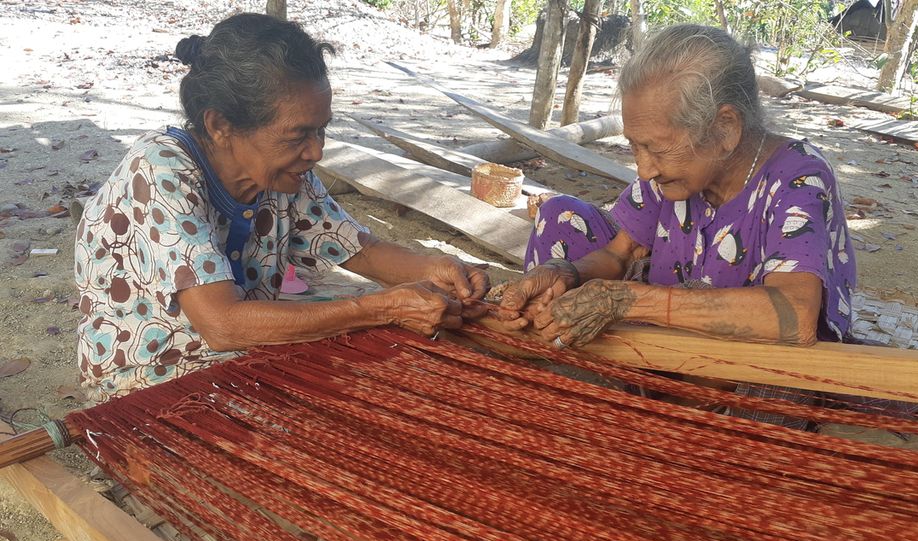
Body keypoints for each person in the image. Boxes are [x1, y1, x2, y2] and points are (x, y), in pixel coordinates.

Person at [74, 13, 488, 403]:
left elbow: (358, 249)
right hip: (154, 373)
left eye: (322, 129)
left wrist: (436, 268)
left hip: (245, 348)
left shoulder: (281, 174)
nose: (316, 151)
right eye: (298, 135)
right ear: (220, 126)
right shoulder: (160, 170)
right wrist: (378, 308)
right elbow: (222, 324)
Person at [497, 24, 857, 428]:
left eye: (658, 149)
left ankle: (651, 410)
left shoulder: (797, 177)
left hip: (739, 366)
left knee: (780, 385)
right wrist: (566, 274)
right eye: (636, 146)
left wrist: (625, 301)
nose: (644, 168)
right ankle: (623, 393)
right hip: (668, 346)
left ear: (724, 129)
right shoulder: (667, 177)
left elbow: (795, 314)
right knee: (560, 214)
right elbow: (620, 253)